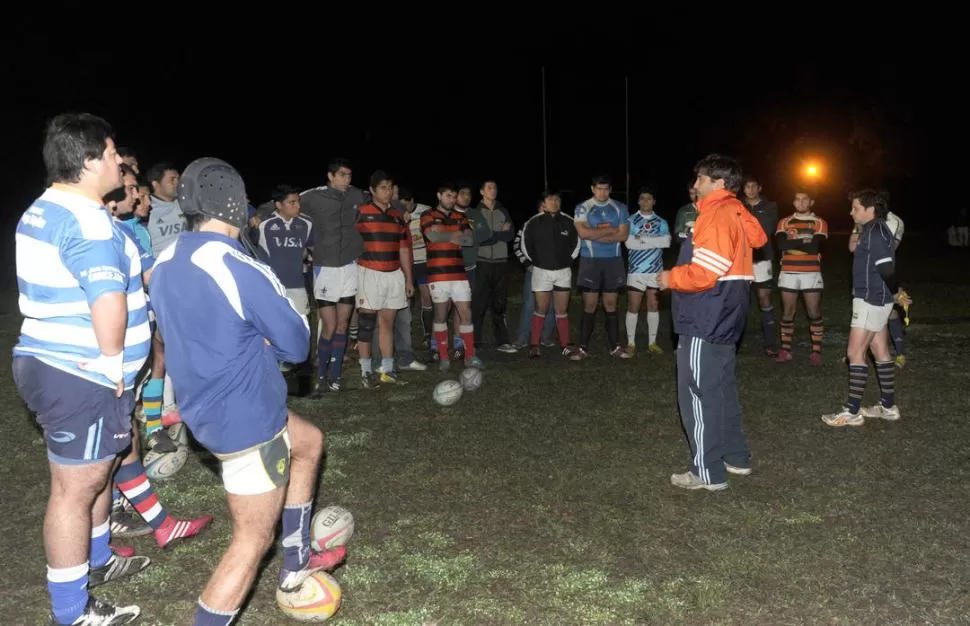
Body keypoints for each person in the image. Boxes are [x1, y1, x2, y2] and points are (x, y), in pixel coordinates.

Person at [149, 158, 346, 625]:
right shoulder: (237, 264)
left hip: (203, 410)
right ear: (236, 205)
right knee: (251, 541)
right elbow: (298, 345)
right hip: (246, 419)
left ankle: (296, 564)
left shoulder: (163, 259)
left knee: (310, 442)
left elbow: (169, 330)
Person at [13, 112, 150, 624]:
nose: (120, 161)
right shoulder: (91, 220)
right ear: (90, 161)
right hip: (82, 373)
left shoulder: (43, 209)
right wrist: (114, 366)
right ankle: (72, 611)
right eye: (113, 154)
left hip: (56, 363)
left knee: (99, 474)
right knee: (75, 489)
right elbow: (107, 299)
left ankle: (97, 561)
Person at [658, 153, 767, 491]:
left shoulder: (717, 213)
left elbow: (705, 273)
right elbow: (758, 240)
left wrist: (669, 278)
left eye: (701, 179)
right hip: (727, 312)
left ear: (719, 184)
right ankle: (736, 457)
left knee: (696, 393)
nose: (695, 185)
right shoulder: (736, 210)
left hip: (705, 314)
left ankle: (707, 472)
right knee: (721, 388)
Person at [822, 190, 911, 427]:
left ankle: (852, 412)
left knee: (855, 353)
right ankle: (888, 407)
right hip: (877, 299)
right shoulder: (876, 229)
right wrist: (895, 293)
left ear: (870, 209)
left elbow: (885, 267)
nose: (851, 212)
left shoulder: (875, 231)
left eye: (855, 208)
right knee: (879, 348)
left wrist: (898, 292)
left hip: (871, 299)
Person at [573, 175, 631, 359]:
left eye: (606, 189)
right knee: (589, 304)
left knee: (611, 304)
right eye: (599, 188)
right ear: (592, 189)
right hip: (590, 261)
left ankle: (615, 346)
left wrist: (595, 233)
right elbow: (582, 233)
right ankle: (582, 348)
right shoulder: (583, 207)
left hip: (613, 261)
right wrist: (609, 230)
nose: (602, 192)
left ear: (610, 189)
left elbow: (623, 236)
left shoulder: (620, 208)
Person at [518, 190, 580, 358]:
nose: (555, 202)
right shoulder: (533, 222)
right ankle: (534, 344)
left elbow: (577, 244)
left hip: (563, 272)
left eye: (557, 199)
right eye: (551, 199)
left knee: (561, 310)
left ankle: (565, 345)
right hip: (541, 271)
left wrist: (569, 261)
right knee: (541, 308)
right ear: (544, 203)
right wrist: (537, 263)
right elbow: (525, 245)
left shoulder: (569, 221)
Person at [774, 188, 829, 365]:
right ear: (793, 202)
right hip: (788, 271)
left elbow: (815, 247)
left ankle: (816, 351)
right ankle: (785, 350)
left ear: (811, 202)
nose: (801, 203)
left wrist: (794, 244)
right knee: (788, 312)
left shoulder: (819, 222)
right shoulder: (784, 222)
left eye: (805, 199)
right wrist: (806, 240)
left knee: (813, 312)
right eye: (797, 199)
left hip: (811, 273)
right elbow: (782, 244)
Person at [624, 187, 671, 355]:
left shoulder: (661, 222)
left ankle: (652, 342)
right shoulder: (630, 220)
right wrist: (654, 240)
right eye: (642, 198)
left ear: (654, 201)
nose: (645, 202)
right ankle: (630, 343)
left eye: (649, 199)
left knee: (653, 306)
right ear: (638, 201)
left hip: (655, 270)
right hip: (636, 270)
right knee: (633, 306)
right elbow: (629, 244)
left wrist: (641, 239)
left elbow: (666, 242)